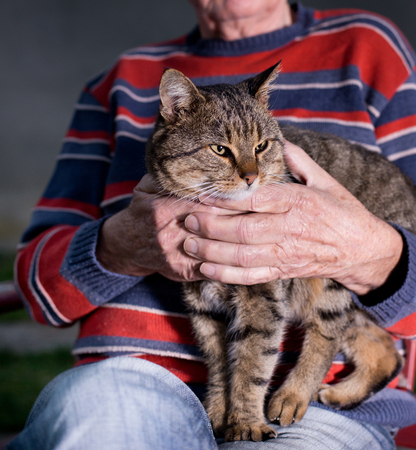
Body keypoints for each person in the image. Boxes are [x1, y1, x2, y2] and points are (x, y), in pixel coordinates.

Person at [9, 1, 416, 449]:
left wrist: (363, 249)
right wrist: (120, 245)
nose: (248, 173)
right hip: (132, 383)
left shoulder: (368, 47)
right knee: (106, 421)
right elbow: (36, 290)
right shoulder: (120, 78)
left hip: (316, 407)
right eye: (225, 153)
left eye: (259, 151)